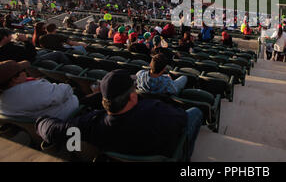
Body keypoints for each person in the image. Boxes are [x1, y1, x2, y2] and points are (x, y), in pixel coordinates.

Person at [36, 69, 202, 159]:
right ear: (132, 96)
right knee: (194, 112)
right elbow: (182, 119)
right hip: (161, 151)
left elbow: (50, 130)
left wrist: (40, 120)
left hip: (114, 145)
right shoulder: (157, 111)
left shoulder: (90, 124)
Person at [0, 60, 79, 120]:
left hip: (38, 123)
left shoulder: (4, 98)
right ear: (15, 79)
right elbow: (63, 92)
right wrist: (66, 85)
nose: (26, 72)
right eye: (23, 70)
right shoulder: (30, 89)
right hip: (67, 114)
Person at [0, 28, 70, 64]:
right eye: (9, 35)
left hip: (26, 58)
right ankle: (68, 66)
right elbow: (32, 54)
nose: (11, 36)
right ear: (5, 38)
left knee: (44, 51)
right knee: (59, 53)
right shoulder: (11, 48)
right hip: (32, 61)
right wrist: (26, 41)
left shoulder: (4, 48)